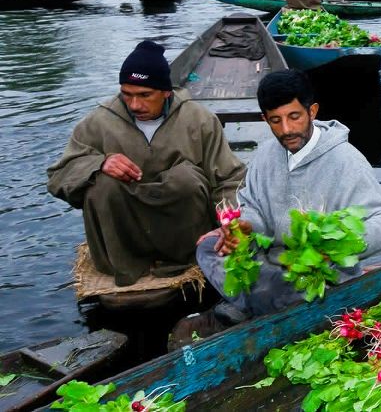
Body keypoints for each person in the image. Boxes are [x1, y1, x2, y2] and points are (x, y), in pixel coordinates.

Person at [179, 69, 381, 334]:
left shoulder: (346, 161)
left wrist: (336, 245)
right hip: (272, 266)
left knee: (291, 288)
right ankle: (258, 303)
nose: (286, 130)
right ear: (265, 119)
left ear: (312, 111)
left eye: (294, 117)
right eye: (276, 120)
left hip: (316, 273)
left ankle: (246, 306)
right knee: (208, 248)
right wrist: (246, 227)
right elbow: (254, 207)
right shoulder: (265, 155)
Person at [47, 41, 246, 286]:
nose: (135, 105)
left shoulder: (199, 119)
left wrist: (231, 224)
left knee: (185, 178)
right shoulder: (98, 123)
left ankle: (181, 260)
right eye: (126, 94)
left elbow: (228, 178)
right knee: (102, 183)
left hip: (182, 238)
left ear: (166, 92)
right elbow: (58, 177)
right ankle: (126, 265)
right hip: (124, 240)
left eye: (145, 95)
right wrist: (99, 163)